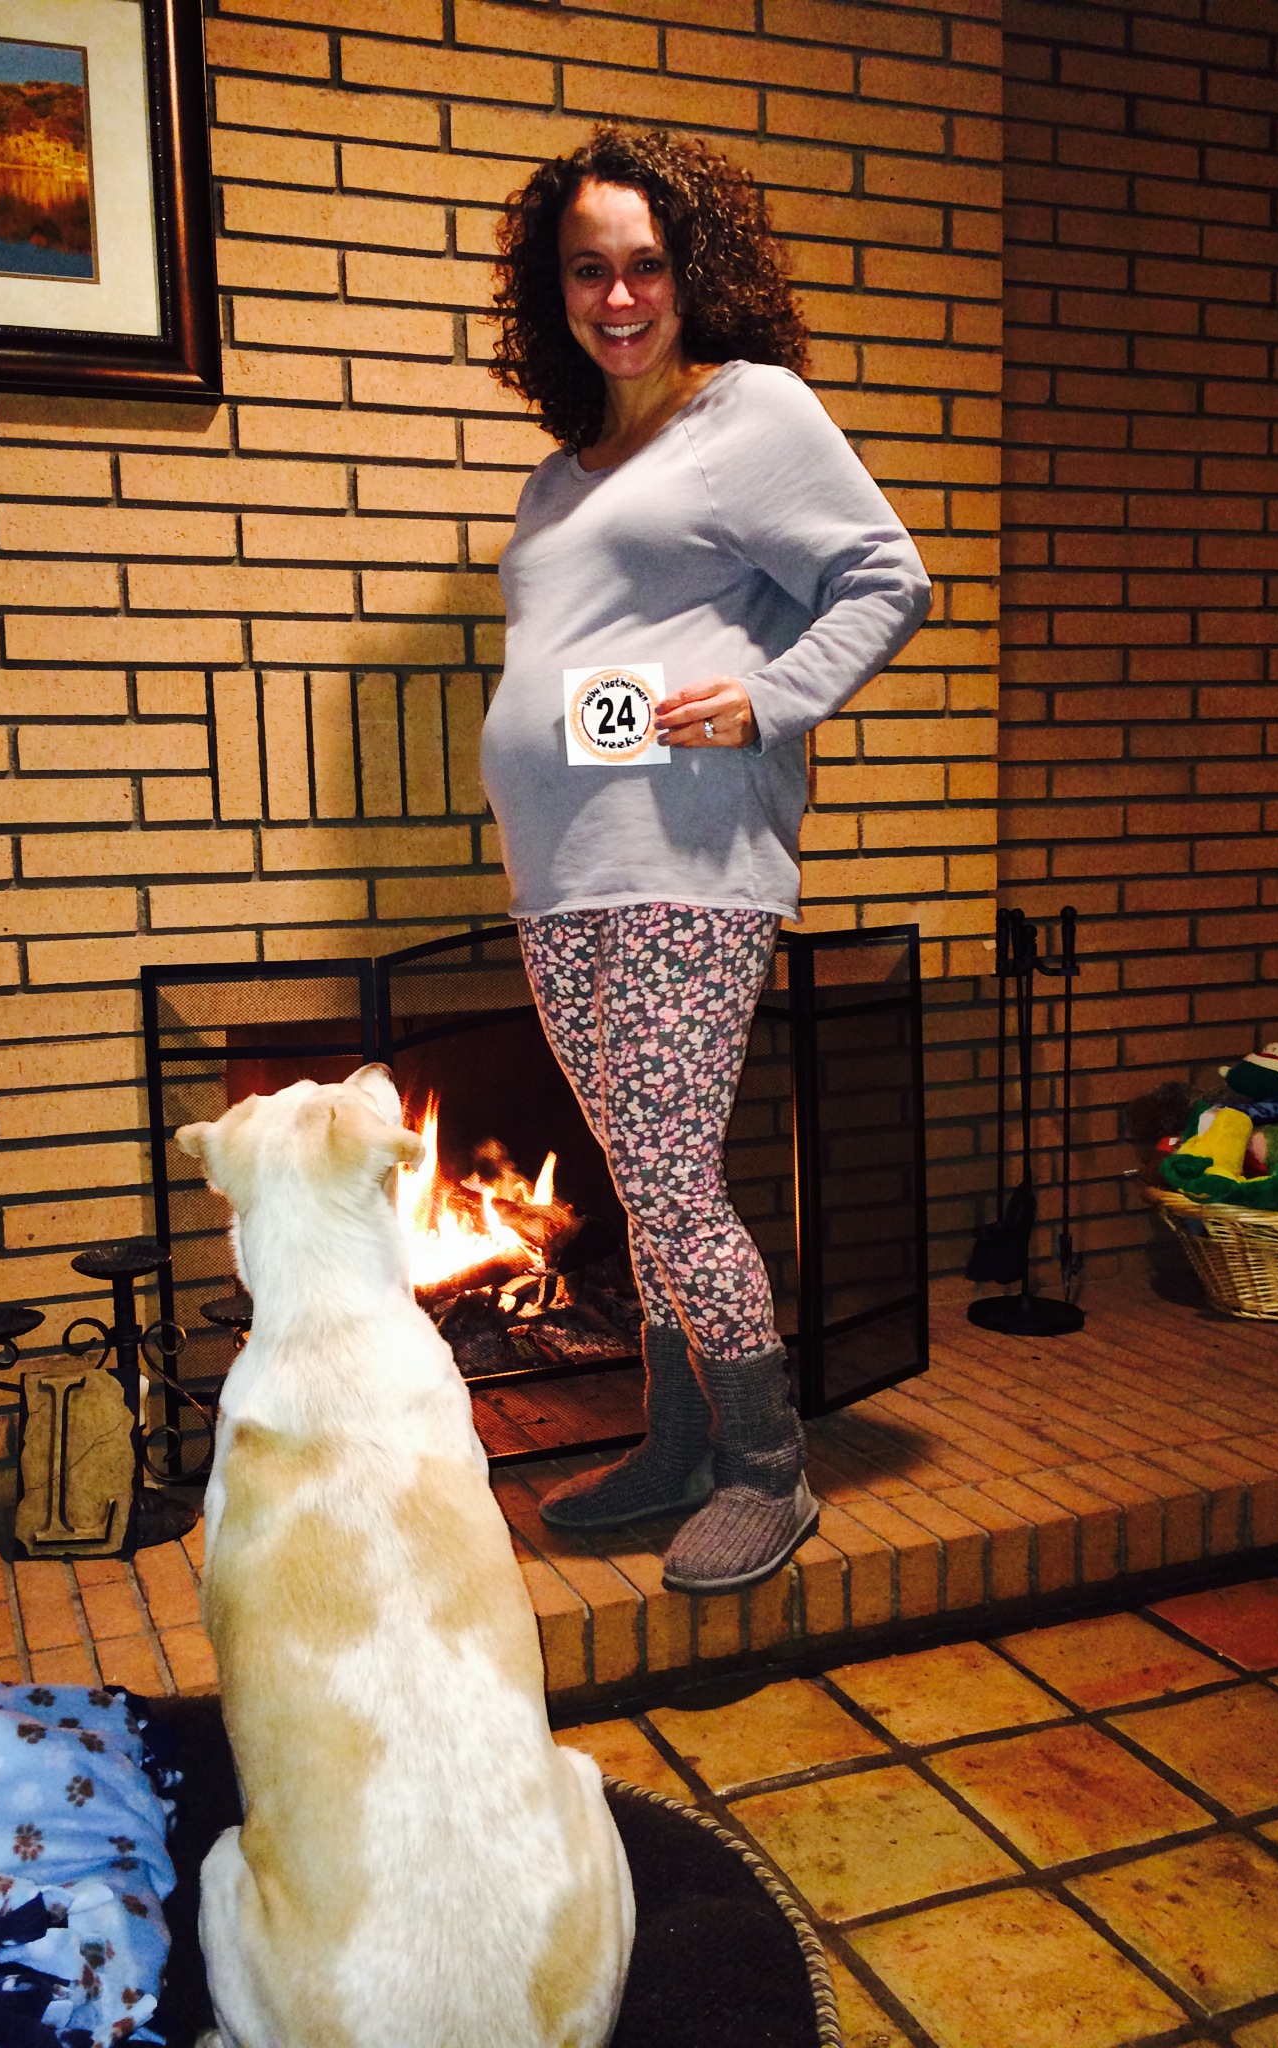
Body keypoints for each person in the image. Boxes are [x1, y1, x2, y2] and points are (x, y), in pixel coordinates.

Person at [481, 126, 931, 1595]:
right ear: (553, 289)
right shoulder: (564, 474)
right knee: (637, 1173)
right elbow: (588, 663)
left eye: (646, 266)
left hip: (685, 861)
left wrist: (772, 697)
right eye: (587, 270)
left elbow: (887, 575)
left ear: (694, 274)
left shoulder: (751, 411)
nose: (618, 297)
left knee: (672, 1174)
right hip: (566, 871)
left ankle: (763, 1464)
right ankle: (676, 1444)